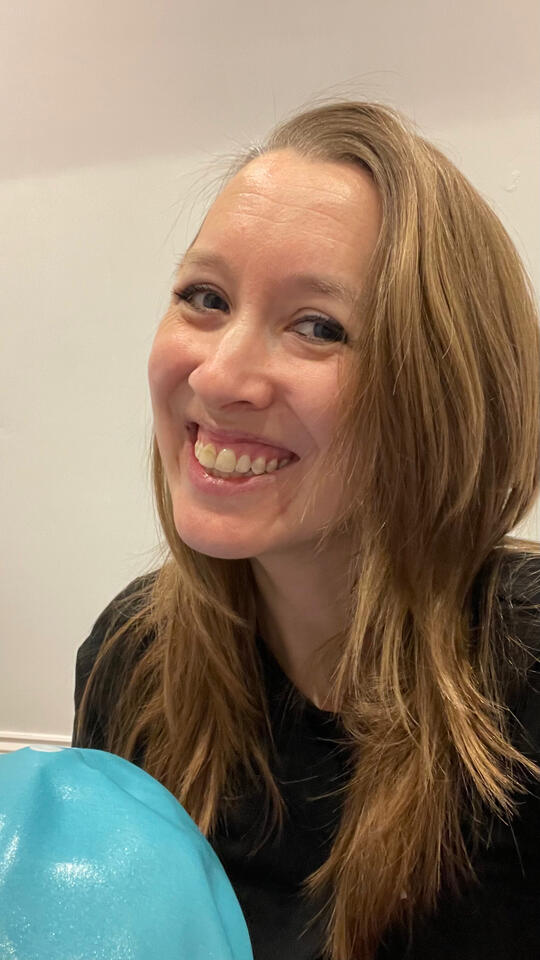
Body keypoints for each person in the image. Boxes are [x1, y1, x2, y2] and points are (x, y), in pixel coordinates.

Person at [72, 99, 540, 960]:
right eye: (205, 299)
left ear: (440, 392)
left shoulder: (528, 671)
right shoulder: (131, 657)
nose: (220, 377)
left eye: (318, 327)